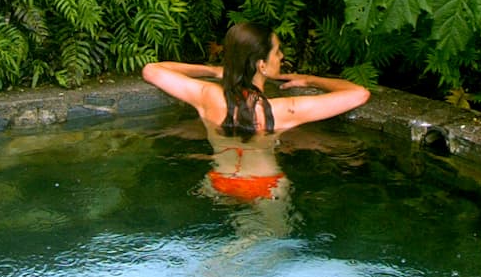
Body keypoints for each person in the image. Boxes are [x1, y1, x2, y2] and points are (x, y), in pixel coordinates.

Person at [142, 21, 370, 202]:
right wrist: (310, 80)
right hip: (266, 186)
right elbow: (359, 94)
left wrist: (213, 71)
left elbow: (152, 70)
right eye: (277, 51)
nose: (281, 56)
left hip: (219, 181)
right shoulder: (284, 110)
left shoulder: (207, 96)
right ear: (261, 65)